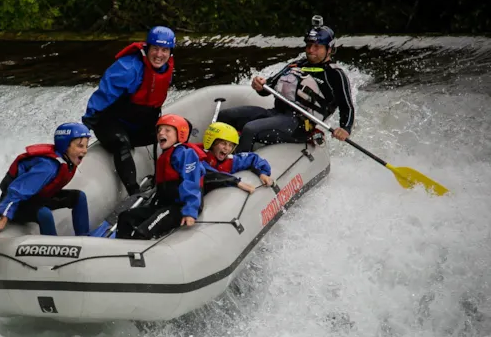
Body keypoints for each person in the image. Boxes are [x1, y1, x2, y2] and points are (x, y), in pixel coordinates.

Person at [218, 15, 355, 153]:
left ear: (329, 49)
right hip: (276, 114)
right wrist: (259, 86)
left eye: (316, 46)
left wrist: (345, 128)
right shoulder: (296, 65)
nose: (310, 50)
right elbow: (268, 88)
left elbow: (347, 107)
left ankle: (237, 165)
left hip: (299, 126)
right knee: (225, 116)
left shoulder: (335, 74)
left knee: (250, 129)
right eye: (308, 45)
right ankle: (214, 156)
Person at [82, 25, 176, 195]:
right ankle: (134, 192)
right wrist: (85, 128)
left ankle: (167, 178)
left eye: (164, 50)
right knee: (121, 143)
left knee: (173, 133)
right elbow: (102, 97)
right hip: (110, 123)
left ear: (170, 52)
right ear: (147, 48)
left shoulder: (166, 68)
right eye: (155, 49)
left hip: (137, 124)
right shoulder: (128, 68)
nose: (159, 55)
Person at [0, 122, 92, 236]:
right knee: (45, 214)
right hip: (18, 203)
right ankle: (53, 250)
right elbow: (17, 190)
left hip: (37, 198)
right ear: (65, 146)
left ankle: (84, 238)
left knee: (79, 197)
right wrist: (3, 218)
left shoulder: (67, 160)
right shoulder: (47, 167)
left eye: (86, 146)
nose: (85, 150)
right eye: (80, 146)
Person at [116, 115, 205, 240]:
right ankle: (119, 247)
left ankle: (136, 252)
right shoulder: (166, 155)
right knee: (125, 217)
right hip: (162, 205)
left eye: (167, 130)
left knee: (142, 233)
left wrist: (190, 211)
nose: (161, 133)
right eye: (159, 130)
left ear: (180, 134)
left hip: (180, 207)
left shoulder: (185, 154)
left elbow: (191, 182)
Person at [199, 122, 274, 195]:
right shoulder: (197, 158)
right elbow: (211, 174)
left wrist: (262, 173)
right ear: (211, 143)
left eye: (230, 145)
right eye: (223, 143)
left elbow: (252, 158)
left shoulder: (230, 161)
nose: (227, 148)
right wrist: (234, 181)